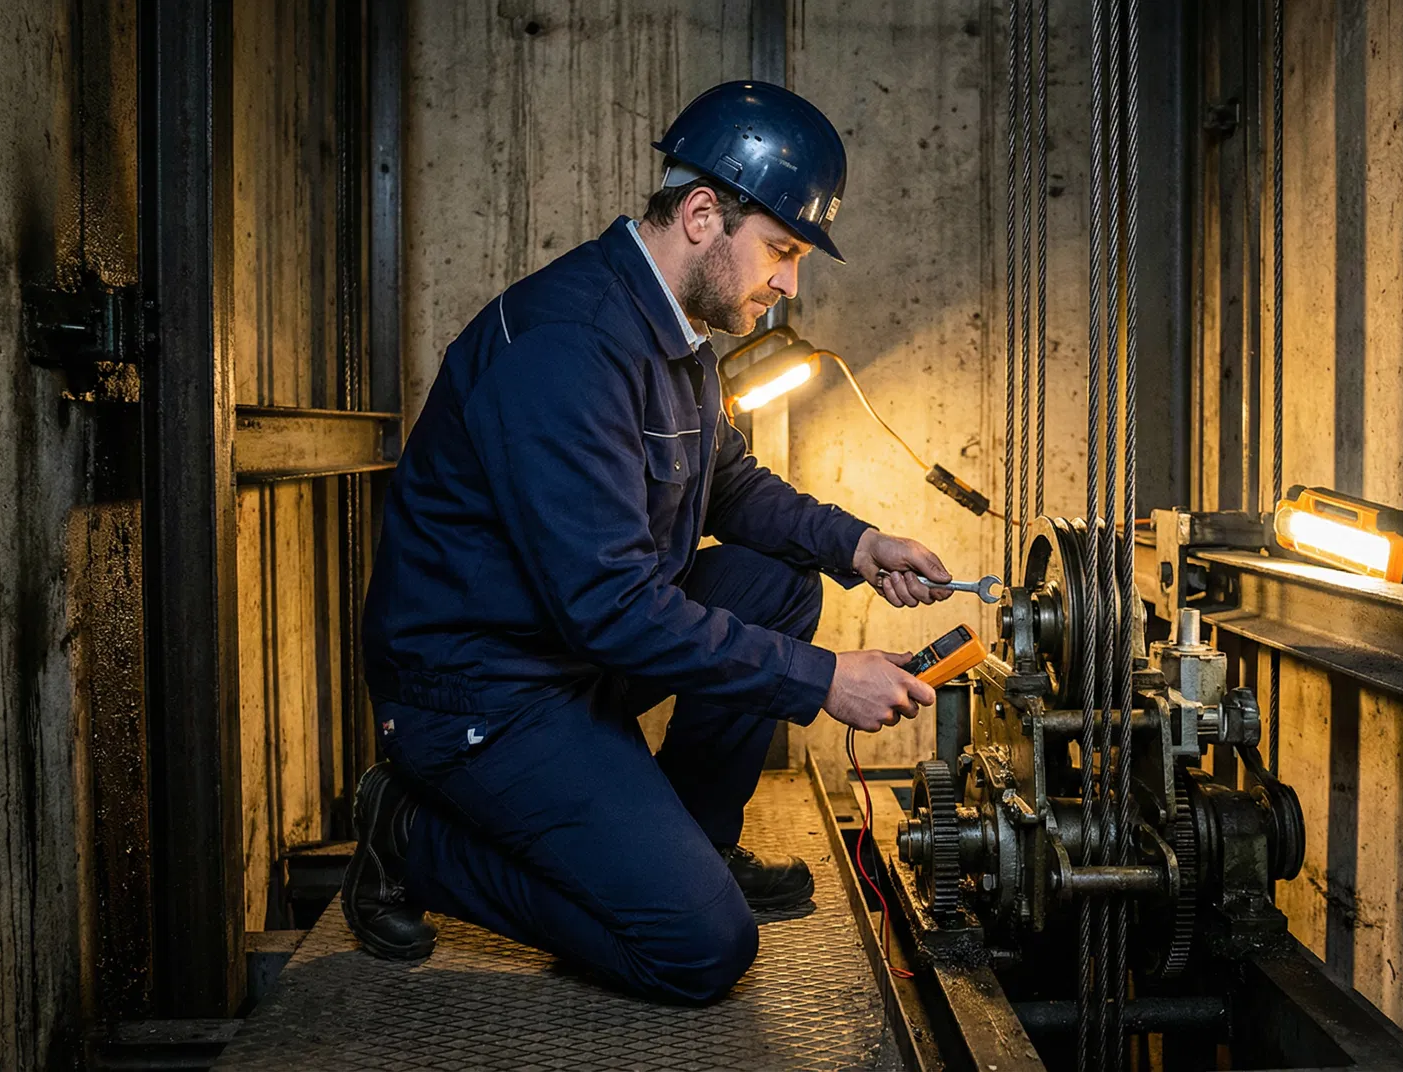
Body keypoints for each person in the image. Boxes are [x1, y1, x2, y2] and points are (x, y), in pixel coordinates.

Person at [345, 81, 953, 1005]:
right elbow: (612, 608)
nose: (790, 285)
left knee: (778, 581)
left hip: (564, 656)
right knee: (699, 948)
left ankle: (694, 841)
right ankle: (410, 838)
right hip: (481, 692)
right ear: (703, 215)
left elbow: (726, 484)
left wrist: (859, 545)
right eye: (783, 251)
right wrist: (823, 679)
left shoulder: (673, 332)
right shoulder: (569, 345)